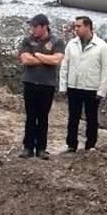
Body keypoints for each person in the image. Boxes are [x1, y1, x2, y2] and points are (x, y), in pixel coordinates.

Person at [59, 16, 107, 152]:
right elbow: (65, 65)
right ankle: (71, 144)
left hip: (91, 87)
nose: (76, 29)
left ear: (88, 27)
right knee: (73, 117)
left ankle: (90, 145)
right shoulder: (72, 44)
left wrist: (101, 91)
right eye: (75, 26)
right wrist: (63, 86)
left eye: (78, 26)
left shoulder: (101, 46)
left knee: (91, 118)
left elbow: (106, 70)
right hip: (74, 86)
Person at [17, 13, 66, 160]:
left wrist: (37, 55)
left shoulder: (57, 41)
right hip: (30, 82)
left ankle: (41, 148)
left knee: (43, 117)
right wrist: (45, 59)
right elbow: (25, 59)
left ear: (44, 26)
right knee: (30, 116)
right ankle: (28, 147)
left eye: (35, 26)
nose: (32, 29)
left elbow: (56, 59)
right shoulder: (27, 40)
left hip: (47, 84)